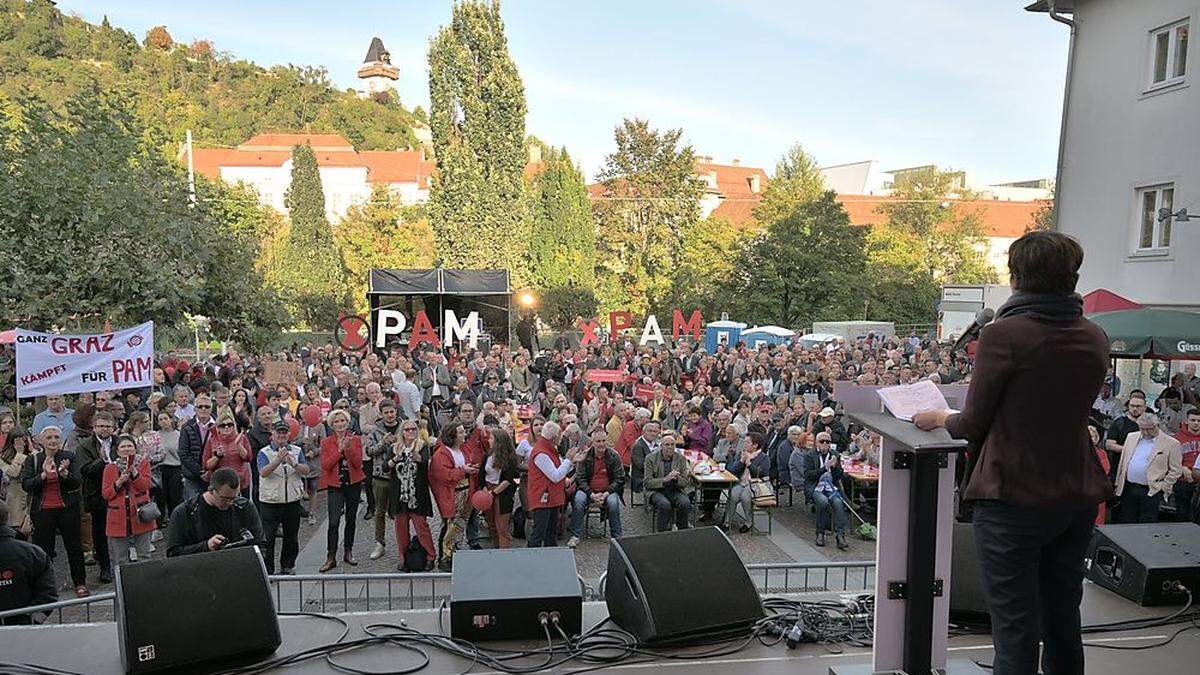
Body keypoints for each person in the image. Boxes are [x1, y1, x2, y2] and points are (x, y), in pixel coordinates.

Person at [913, 231, 1112, 675]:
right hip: (1076, 494)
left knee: (1016, 631)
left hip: (1013, 499)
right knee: (1063, 620)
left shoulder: (1004, 335)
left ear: (1017, 277)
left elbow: (972, 424)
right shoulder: (1095, 336)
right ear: (1071, 276)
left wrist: (940, 417)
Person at [20, 426, 87, 597]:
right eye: (49, 437)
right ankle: (45, 586)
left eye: (56, 437)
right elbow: (26, 485)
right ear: (41, 441)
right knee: (43, 550)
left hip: (67, 509)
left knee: (74, 547)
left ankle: (80, 583)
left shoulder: (69, 457)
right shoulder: (33, 460)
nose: (52, 441)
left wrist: (64, 474)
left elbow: (77, 482)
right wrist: (43, 475)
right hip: (42, 510)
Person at [166, 467, 263, 557]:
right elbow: (173, 553)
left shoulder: (244, 507)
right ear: (211, 490)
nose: (230, 503)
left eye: (234, 497)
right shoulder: (185, 512)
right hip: (199, 570)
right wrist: (206, 546)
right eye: (225, 498)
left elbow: (261, 545)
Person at [257, 420, 310, 575]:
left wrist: (294, 464)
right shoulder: (264, 452)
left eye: (284, 432)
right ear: (272, 434)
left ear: (288, 434)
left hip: (292, 500)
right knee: (268, 537)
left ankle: (287, 565)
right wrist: (278, 460)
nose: (281, 435)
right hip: (270, 500)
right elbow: (263, 472)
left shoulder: (296, 450)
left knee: (291, 536)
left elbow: (306, 470)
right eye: (278, 432)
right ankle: (268, 568)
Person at [1112, 412, 1183, 523]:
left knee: (1147, 523)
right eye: (1142, 429)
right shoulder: (1131, 437)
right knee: (1126, 520)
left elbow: (1176, 469)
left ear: (1156, 426)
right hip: (1129, 487)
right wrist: (1118, 482)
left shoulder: (1172, 443)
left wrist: (1165, 485)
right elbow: (1123, 461)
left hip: (1152, 489)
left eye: (1148, 429)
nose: (1145, 432)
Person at [318, 409, 365, 572]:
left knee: (351, 519)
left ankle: (348, 551)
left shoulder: (356, 439)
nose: (340, 424)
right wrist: (339, 451)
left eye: (342, 421)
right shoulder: (326, 442)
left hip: (353, 483)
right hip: (335, 485)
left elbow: (358, 463)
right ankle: (330, 556)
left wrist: (348, 448)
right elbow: (325, 465)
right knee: (333, 522)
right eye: (336, 422)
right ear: (331, 424)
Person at [387, 417, 436, 570]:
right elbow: (385, 466)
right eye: (407, 429)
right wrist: (396, 458)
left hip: (417, 493)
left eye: (413, 429)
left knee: (422, 527)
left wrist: (417, 456)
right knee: (400, 529)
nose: (411, 432)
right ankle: (403, 556)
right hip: (399, 493)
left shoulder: (422, 446)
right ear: (402, 432)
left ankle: (430, 555)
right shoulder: (394, 448)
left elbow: (425, 465)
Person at [75, 411, 117, 585]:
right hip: (96, 495)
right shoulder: (84, 446)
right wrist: (101, 460)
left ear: (113, 428)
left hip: (118, 492)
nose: (104, 429)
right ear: (94, 428)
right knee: (100, 533)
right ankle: (105, 567)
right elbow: (85, 471)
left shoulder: (120, 442)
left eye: (107, 426)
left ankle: (120, 563)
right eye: (100, 426)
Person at [429, 421, 478, 570]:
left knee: (460, 525)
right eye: (461, 432)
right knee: (450, 525)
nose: (464, 434)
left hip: (466, 492)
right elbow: (445, 475)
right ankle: (445, 556)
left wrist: (471, 469)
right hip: (452, 494)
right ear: (453, 435)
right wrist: (464, 470)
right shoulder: (441, 454)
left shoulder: (464, 449)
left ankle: (456, 550)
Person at [100, 434, 155, 567]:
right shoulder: (110, 468)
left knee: (144, 556)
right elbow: (106, 494)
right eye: (123, 446)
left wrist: (135, 473)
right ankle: (122, 586)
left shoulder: (143, 464)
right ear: (117, 450)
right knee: (120, 560)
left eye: (129, 446)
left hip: (140, 515)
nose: (126, 449)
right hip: (118, 517)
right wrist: (118, 482)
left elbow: (146, 486)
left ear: (135, 449)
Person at [0, 501, 57, 626]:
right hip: (26, 635)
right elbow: (48, 595)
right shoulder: (34, 553)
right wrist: (30, 623)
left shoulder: (33, 554)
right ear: (7, 518)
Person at [567, 428, 625, 547]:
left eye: (604, 440)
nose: (601, 444)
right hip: (588, 490)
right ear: (592, 442)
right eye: (598, 441)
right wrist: (591, 494)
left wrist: (606, 493)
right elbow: (580, 479)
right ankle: (575, 535)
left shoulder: (614, 455)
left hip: (608, 490)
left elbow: (619, 478)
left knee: (613, 503)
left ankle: (617, 536)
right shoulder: (585, 456)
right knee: (578, 500)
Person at [526, 420, 575, 547]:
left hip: (551, 497)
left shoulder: (548, 449)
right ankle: (530, 558)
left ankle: (551, 557)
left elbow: (560, 468)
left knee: (551, 532)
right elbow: (555, 476)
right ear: (554, 437)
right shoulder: (541, 453)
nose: (561, 438)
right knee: (539, 532)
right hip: (543, 498)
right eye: (560, 435)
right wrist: (568, 460)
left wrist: (572, 462)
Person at [365, 399, 402, 560]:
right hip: (381, 476)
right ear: (381, 414)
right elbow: (369, 451)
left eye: (392, 411)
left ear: (396, 411)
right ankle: (380, 543)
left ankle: (404, 544)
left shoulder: (404, 427)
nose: (389, 415)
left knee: (402, 512)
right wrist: (383, 443)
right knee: (380, 512)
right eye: (386, 412)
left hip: (401, 476)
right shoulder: (375, 431)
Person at [799, 431, 847, 548]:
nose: (825, 444)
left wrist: (835, 467)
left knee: (839, 503)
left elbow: (838, 476)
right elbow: (808, 475)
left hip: (831, 486)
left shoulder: (835, 455)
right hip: (816, 486)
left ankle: (840, 535)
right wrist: (824, 468)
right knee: (823, 502)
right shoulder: (810, 455)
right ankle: (820, 533)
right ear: (816, 443)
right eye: (822, 441)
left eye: (827, 441)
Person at [643, 431, 693, 532]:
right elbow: (647, 482)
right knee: (664, 504)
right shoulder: (650, 458)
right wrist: (665, 479)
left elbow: (685, 483)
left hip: (674, 489)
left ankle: (682, 530)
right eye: (667, 444)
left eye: (672, 445)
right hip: (656, 490)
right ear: (661, 446)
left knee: (685, 502)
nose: (670, 447)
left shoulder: (681, 459)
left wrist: (676, 478)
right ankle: (663, 532)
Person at [723, 431, 770, 533]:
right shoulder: (742, 454)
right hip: (741, 482)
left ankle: (748, 522)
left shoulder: (764, 457)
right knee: (733, 494)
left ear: (755, 445)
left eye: (747, 442)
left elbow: (762, 473)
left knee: (745, 496)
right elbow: (732, 470)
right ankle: (726, 522)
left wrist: (749, 464)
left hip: (754, 484)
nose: (744, 444)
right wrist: (741, 462)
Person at [482, 428, 520, 550]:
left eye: (491, 438)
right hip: (488, 489)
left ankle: (504, 551)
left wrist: (493, 493)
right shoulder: (487, 455)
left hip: (502, 494)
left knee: (502, 527)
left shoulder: (510, 458)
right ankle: (496, 546)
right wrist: (484, 488)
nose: (489, 440)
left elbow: (509, 479)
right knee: (492, 524)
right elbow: (482, 474)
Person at [202, 410, 253, 499]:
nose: (226, 427)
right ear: (217, 428)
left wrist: (238, 446)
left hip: (240, 482)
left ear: (234, 426)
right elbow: (206, 465)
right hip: (220, 484)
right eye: (222, 425)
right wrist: (217, 456)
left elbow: (248, 458)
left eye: (230, 424)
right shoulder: (212, 441)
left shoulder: (242, 438)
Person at [178, 394, 216, 499]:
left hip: (214, 475)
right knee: (194, 508)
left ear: (211, 408)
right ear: (195, 408)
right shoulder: (187, 427)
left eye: (207, 406)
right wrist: (200, 472)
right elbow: (183, 453)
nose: (203, 409)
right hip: (193, 476)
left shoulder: (219, 425)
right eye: (200, 406)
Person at [1, 426, 34, 537]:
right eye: (18, 442)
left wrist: (31, 447)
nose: (22, 444)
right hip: (14, 504)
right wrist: (19, 455)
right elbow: (12, 473)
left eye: (24, 441)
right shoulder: (3, 458)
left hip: (32, 502)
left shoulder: (34, 455)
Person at [1173, 408, 1200, 523]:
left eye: (1199, 421)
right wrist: (1183, 469)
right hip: (1183, 480)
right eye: (1193, 420)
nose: (1196, 423)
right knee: (1183, 514)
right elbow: (1171, 461)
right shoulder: (1176, 439)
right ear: (1186, 421)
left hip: (1199, 480)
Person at [628, 421, 660, 495]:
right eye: (650, 431)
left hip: (653, 477)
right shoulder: (638, 446)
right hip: (641, 480)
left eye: (655, 431)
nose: (652, 433)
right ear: (643, 432)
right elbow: (641, 466)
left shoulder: (656, 444)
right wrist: (658, 469)